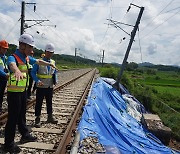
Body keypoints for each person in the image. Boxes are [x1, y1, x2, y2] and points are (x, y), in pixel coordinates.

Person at [3, 34, 57, 153]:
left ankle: (24, 134)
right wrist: (16, 70)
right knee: (12, 118)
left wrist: (49, 64)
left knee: (22, 114)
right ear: (22, 45)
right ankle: (8, 144)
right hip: (14, 93)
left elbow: (38, 61)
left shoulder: (26, 58)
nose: (32, 50)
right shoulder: (13, 57)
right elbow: (11, 65)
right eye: (30, 47)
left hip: (22, 91)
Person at [31, 43, 58, 128]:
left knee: (49, 102)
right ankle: (37, 118)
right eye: (48, 52)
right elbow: (32, 72)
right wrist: (37, 80)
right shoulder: (39, 62)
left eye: (51, 52)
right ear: (45, 51)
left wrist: (55, 80)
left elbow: (54, 73)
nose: (50, 54)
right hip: (41, 86)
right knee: (39, 103)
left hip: (49, 86)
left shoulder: (53, 62)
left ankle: (50, 117)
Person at [0, 40, 9, 113]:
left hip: (3, 79)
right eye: (3, 48)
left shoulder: (5, 58)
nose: (5, 50)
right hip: (2, 77)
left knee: (1, 94)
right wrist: (5, 75)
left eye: (6, 49)